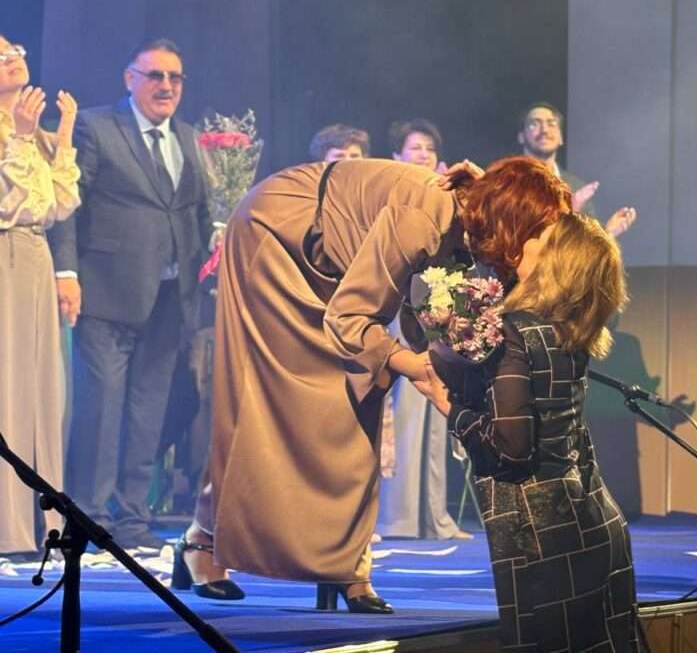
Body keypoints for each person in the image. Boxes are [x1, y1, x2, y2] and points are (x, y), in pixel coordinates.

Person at [173, 156, 571, 612]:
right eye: (538, 231)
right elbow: (349, 320)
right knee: (265, 400)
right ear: (514, 219)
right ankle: (204, 540)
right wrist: (414, 366)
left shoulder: (475, 219)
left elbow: (410, 304)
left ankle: (346, 563)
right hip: (276, 233)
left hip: (335, 265)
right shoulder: (422, 219)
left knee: (361, 386)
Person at [422, 211, 642, 652]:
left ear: (557, 262)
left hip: (542, 534)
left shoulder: (517, 332)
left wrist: (449, 406)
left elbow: (512, 449)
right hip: (593, 519)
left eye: (543, 238)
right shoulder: (570, 330)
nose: (527, 242)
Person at [49, 38, 215, 550]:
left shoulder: (188, 137)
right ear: (130, 79)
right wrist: (66, 272)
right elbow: (69, 206)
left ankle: (132, 520)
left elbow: (196, 211)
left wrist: (214, 252)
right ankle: (90, 517)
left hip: (170, 296)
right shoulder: (97, 126)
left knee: (148, 411)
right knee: (101, 408)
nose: (166, 86)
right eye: (155, 76)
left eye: (175, 77)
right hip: (106, 292)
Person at [0, 36, 80, 557]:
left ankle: (45, 519)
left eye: (16, 51)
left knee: (42, 389)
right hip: (4, 253)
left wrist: (61, 135)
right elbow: (11, 203)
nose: (13, 58)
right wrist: (22, 138)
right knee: (7, 385)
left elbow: (61, 203)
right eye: (1, 55)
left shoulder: (36, 134)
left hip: (35, 256)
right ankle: (8, 526)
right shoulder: (19, 135)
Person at [377, 118, 470, 540]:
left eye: (429, 149)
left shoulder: (443, 195)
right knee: (406, 407)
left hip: (434, 299)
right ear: (397, 155)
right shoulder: (390, 193)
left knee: (437, 407)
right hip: (398, 303)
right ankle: (398, 517)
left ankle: (433, 516)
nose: (423, 155)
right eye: (414, 148)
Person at [517, 102, 636, 237]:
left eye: (552, 124)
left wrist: (607, 233)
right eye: (534, 124)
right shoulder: (508, 182)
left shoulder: (577, 187)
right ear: (521, 136)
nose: (544, 130)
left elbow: (584, 245)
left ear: (561, 138)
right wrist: (569, 211)